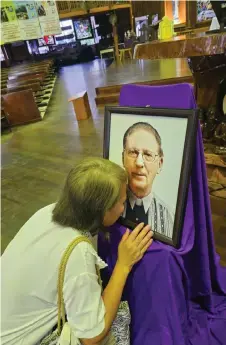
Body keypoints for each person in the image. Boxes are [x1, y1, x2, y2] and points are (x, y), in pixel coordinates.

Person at [1, 157, 153, 345]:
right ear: (103, 211)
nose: (124, 209)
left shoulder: (47, 212)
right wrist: (123, 265)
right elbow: (91, 337)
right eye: (122, 202)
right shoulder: (78, 253)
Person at [121, 122, 174, 238]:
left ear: (159, 164)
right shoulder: (110, 206)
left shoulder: (169, 217)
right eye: (133, 152)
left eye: (148, 154)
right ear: (123, 158)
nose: (139, 163)